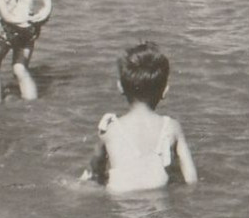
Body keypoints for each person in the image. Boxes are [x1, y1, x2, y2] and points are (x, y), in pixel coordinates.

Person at [83, 42, 198, 193]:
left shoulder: (109, 129)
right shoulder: (171, 127)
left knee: (83, 183)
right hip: (157, 196)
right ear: (165, 91)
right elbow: (191, 180)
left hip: (119, 196)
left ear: (120, 87)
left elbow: (94, 172)